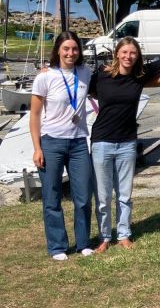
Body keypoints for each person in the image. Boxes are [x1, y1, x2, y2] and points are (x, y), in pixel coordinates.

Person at [90, 37, 160, 253]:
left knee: (125, 194)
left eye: (132, 53)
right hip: (102, 141)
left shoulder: (139, 77)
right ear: (117, 53)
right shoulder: (101, 75)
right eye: (124, 52)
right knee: (103, 196)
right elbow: (83, 87)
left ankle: (124, 234)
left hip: (127, 142)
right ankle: (105, 237)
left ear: (137, 56)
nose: (128, 56)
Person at [30, 31, 94, 261]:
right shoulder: (45, 77)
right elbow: (35, 115)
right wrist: (37, 148)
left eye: (75, 49)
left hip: (78, 142)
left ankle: (84, 243)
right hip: (51, 142)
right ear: (58, 50)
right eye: (66, 49)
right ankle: (57, 246)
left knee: (84, 196)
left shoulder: (85, 72)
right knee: (52, 196)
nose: (70, 53)